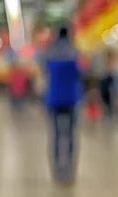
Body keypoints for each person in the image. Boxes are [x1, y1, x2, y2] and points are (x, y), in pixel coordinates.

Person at [45, 26, 82, 182]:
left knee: (55, 134)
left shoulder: (50, 53)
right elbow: (81, 74)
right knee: (71, 134)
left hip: (54, 99)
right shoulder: (75, 53)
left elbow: (45, 73)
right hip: (72, 99)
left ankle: (56, 169)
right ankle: (70, 169)